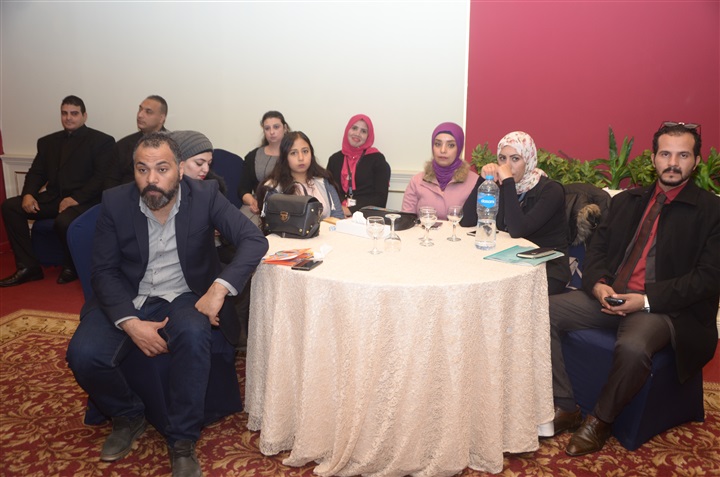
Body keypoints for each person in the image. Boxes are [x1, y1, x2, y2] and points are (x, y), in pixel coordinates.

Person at [65, 132, 268, 477]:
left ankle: (182, 439)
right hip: (129, 295)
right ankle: (128, 414)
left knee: (193, 335)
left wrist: (218, 289)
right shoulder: (116, 201)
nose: (151, 179)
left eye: (162, 169)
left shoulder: (205, 195)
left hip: (184, 294)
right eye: (142, 169)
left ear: (179, 169)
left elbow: (253, 240)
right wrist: (130, 323)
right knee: (83, 355)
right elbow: (103, 271)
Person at [549, 122, 720, 456]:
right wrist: (598, 284)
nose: (673, 163)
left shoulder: (712, 211)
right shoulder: (628, 200)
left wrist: (645, 300)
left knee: (633, 347)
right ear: (653, 158)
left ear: (696, 161)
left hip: (664, 309)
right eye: (665, 154)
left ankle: (600, 420)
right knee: (542, 310)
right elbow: (597, 249)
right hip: (610, 296)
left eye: (683, 155)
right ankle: (566, 405)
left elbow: (708, 278)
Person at [0, 95, 115, 287]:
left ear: (84, 116)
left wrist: (75, 199)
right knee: (10, 206)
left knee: (64, 221)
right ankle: (29, 267)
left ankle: (72, 266)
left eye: (74, 113)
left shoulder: (102, 141)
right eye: (64, 113)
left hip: (85, 201)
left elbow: (101, 178)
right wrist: (28, 194)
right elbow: (36, 172)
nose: (68, 118)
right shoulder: (47, 142)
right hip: (54, 198)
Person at [460, 131, 570, 294]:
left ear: (528, 160)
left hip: (546, 268)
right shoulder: (501, 186)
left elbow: (518, 230)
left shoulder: (551, 190)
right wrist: (482, 181)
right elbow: (467, 221)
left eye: (515, 159)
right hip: (508, 263)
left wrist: (508, 182)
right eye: (502, 158)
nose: (507, 166)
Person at [259, 131, 344, 221]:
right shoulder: (274, 187)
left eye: (305, 151)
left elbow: (338, 216)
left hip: (327, 230)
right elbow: (273, 223)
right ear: (285, 157)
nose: (301, 158)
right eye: (293, 153)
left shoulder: (323, 181)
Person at [402, 122, 478, 220]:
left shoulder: (474, 182)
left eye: (451, 145)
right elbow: (406, 220)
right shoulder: (417, 181)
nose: (442, 150)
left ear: (459, 148)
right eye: (438, 144)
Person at [327, 114, 391, 216]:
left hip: (366, 217)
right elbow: (329, 191)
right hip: (337, 214)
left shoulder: (377, 159)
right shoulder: (334, 159)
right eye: (354, 128)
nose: (357, 133)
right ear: (347, 130)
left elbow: (380, 198)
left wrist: (350, 210)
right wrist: (339, 209)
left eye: (363, 131)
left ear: (368, 136)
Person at [108, 95, 169, 187]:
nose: (140, 115)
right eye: (140, 109)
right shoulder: (123, 145)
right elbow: (111, 180)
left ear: (161, 118)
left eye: (148, 112)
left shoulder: (173, 145)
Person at [238, 111, 290, 217]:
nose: (272, 132)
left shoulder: (294, 155)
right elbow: (243, 189)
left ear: (285, 128)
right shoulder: (252, 156)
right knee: (238, 224)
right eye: (267, 128)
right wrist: (253, 202)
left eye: (276, 127)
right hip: (256, 206)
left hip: (285, 208)